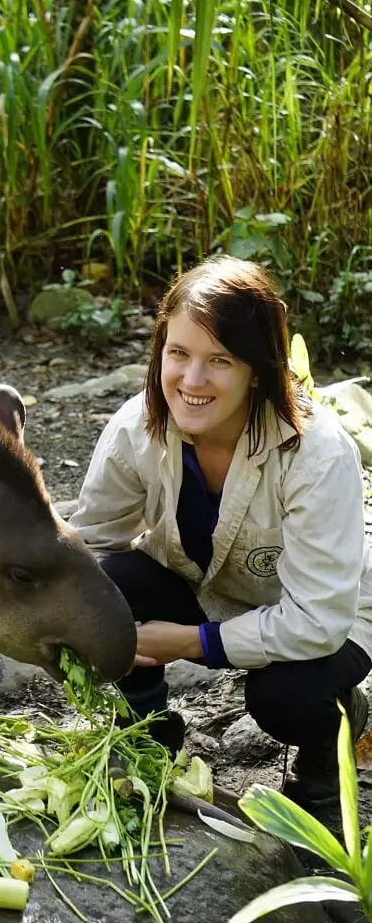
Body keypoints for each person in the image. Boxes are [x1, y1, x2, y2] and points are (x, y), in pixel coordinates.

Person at [69, 256, 372, 812]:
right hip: (210, 589)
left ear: (256, 368)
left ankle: (325, 767)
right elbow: (90, 544)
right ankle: (148, 731)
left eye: (220, 361)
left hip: (327, 617)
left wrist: (189, 643)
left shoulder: (316, 453)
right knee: (104, 587)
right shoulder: (136, 426)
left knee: (286, 698)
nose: (192, 380)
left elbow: (319, 619)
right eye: (178, 354)